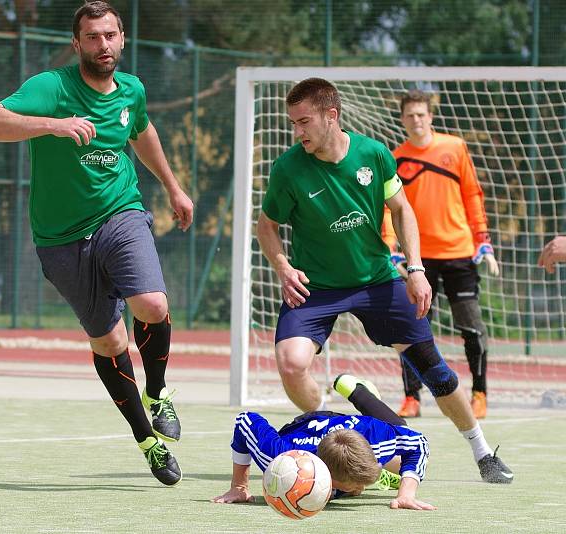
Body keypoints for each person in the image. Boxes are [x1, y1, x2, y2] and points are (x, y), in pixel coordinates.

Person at [253, 77, 512, 484]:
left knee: (436, 371)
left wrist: (416, 268)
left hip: (376, 280)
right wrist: (283, 267)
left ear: (331, 116)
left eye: (304, 121)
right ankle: (328, 438)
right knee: (291, 363)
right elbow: (266, 225)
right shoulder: (288, 168)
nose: (297, 131)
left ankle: (482, 452)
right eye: (293, 123)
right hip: (316, 287)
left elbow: (402, 210)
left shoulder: (373, 155)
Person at [0, 1, 193, 486]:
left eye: (111, 35)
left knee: (152, 303)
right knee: (109, 339)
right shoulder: (50, 87)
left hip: (120, 212)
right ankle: (147, 441)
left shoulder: (132, 89)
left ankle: (158, 394)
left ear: (122, 38)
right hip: (60, 239)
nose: (104, 45)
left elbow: (141, 131)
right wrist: (52, 124)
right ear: (77, 44)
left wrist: (173, 186)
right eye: (93, 37)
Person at [382, 90, 498, 419]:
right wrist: (391, 245)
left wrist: (482, 240)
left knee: (471, 326)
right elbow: (389, 208)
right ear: (402, 120)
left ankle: (479, 392)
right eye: (410, 115)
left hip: (459, 252)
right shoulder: (395, 157)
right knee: (411, 329)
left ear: (430, 116)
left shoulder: (455, 147)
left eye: (421, 114)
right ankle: (412, 397)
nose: (416, 120)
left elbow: (473, 194)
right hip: (418, 259)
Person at [212, 375, 436, 510]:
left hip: (358, 426)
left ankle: (359, 392)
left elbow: (419, 443)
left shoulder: (375, 438)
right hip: (308, 425)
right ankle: (379, 475)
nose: (361, 488)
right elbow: (245, 420)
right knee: (389, 468)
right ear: (329, 476)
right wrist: (239, 487)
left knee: (402, 442)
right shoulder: (281, 458)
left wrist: (407, 494)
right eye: (355, 484)